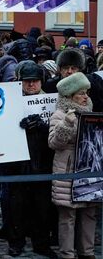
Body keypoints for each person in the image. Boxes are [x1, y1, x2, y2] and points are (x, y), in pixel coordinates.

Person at [0, 61, 57, 258]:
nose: (31, 85)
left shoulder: (51, 101)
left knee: (42, 206)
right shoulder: (12, 101)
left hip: (42, 161)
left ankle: (41, 242)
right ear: (20, 81)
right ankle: (16, 242)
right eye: (27, 81)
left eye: (34, 81)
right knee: (17, 206)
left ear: (41, 81)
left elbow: (57, 131)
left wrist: (43, 127)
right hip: (17, 163)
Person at [49, 72, 96, 259]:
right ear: (69, 96)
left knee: (89, 213)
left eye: (87, 93)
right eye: (81, 93)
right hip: (67, 170)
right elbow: (54, 143)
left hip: (89, 169)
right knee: (68, 217)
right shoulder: (59, 114)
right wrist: (67, 123)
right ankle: (67, 254)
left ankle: (88, 253)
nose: (86, 97)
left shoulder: (91, 113)